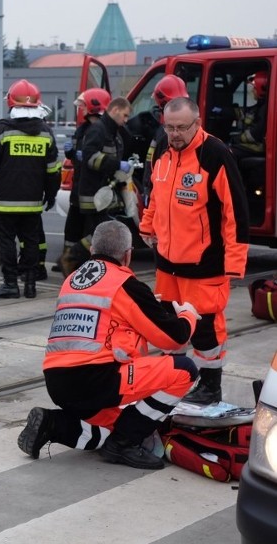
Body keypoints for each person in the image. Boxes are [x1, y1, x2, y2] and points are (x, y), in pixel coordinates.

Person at [17, 220, 201, 469]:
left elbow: (104, 321)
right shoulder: (125, 284)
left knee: (111, 428)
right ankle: (124, 445)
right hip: (96, 380)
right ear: (128, 255)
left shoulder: (72, 280)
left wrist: (144, 304)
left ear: (92, 251)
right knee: (184, 369)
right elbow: (174, 338)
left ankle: (52, 424)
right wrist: (188, 314)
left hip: (58, 383)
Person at [139, 97, 250, 405]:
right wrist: (147, 227)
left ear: (198, 124)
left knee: (206, 328)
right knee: (171, 326)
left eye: (181, 128)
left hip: (205, 263)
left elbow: (235, 212)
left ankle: (210, 386)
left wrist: (235, 262)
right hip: (168, 262)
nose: (174, 134)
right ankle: (175, 378)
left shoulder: (215, 154)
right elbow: (156, 196)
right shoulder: (163, 148)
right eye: (169, 127)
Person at [0, 79, 59, 299]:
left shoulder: (2, 130)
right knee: (31, 241)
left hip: (4, 201)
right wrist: (50, 195)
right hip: (32, 202)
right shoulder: (46, 133)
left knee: (6, 242)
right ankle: (30, 285)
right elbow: (53, 171)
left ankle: (10, 284)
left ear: (11, 103)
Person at [67, 97, 132, 270]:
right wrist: (117, 165)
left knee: (98, 232)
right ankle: (70, 260)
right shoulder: (99, 130)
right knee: (97, 234)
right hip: (95, 194)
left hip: (104, 193)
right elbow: (91, 158)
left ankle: (80, 264)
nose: (126, 120)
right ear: (115, 110)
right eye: (125, 115)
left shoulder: (112, 132)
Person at [58, 88, 111, 276]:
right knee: (72, 226)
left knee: (92, 229)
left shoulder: (102, 130)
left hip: (94, 188)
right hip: (79, 185)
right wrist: (72, 154)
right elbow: (79, 157)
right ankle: (67, 257)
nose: (81, 109)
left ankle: (76, 259)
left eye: (83, 105)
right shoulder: (83, 128)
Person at [142, 74, 189, 205]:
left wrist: (148, 189)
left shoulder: (166, 133)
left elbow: (157, 168)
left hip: (162, 194)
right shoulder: (187, 128)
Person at [230, 70, 268, 160]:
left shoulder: (264, 109)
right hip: (256, 144)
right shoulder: (261, 106)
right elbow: (249, 112)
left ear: (261, 89)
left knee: (228, 152)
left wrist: (237, 139)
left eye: (254, 88)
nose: (252, 90)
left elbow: (255, 134)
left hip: (259, 146)